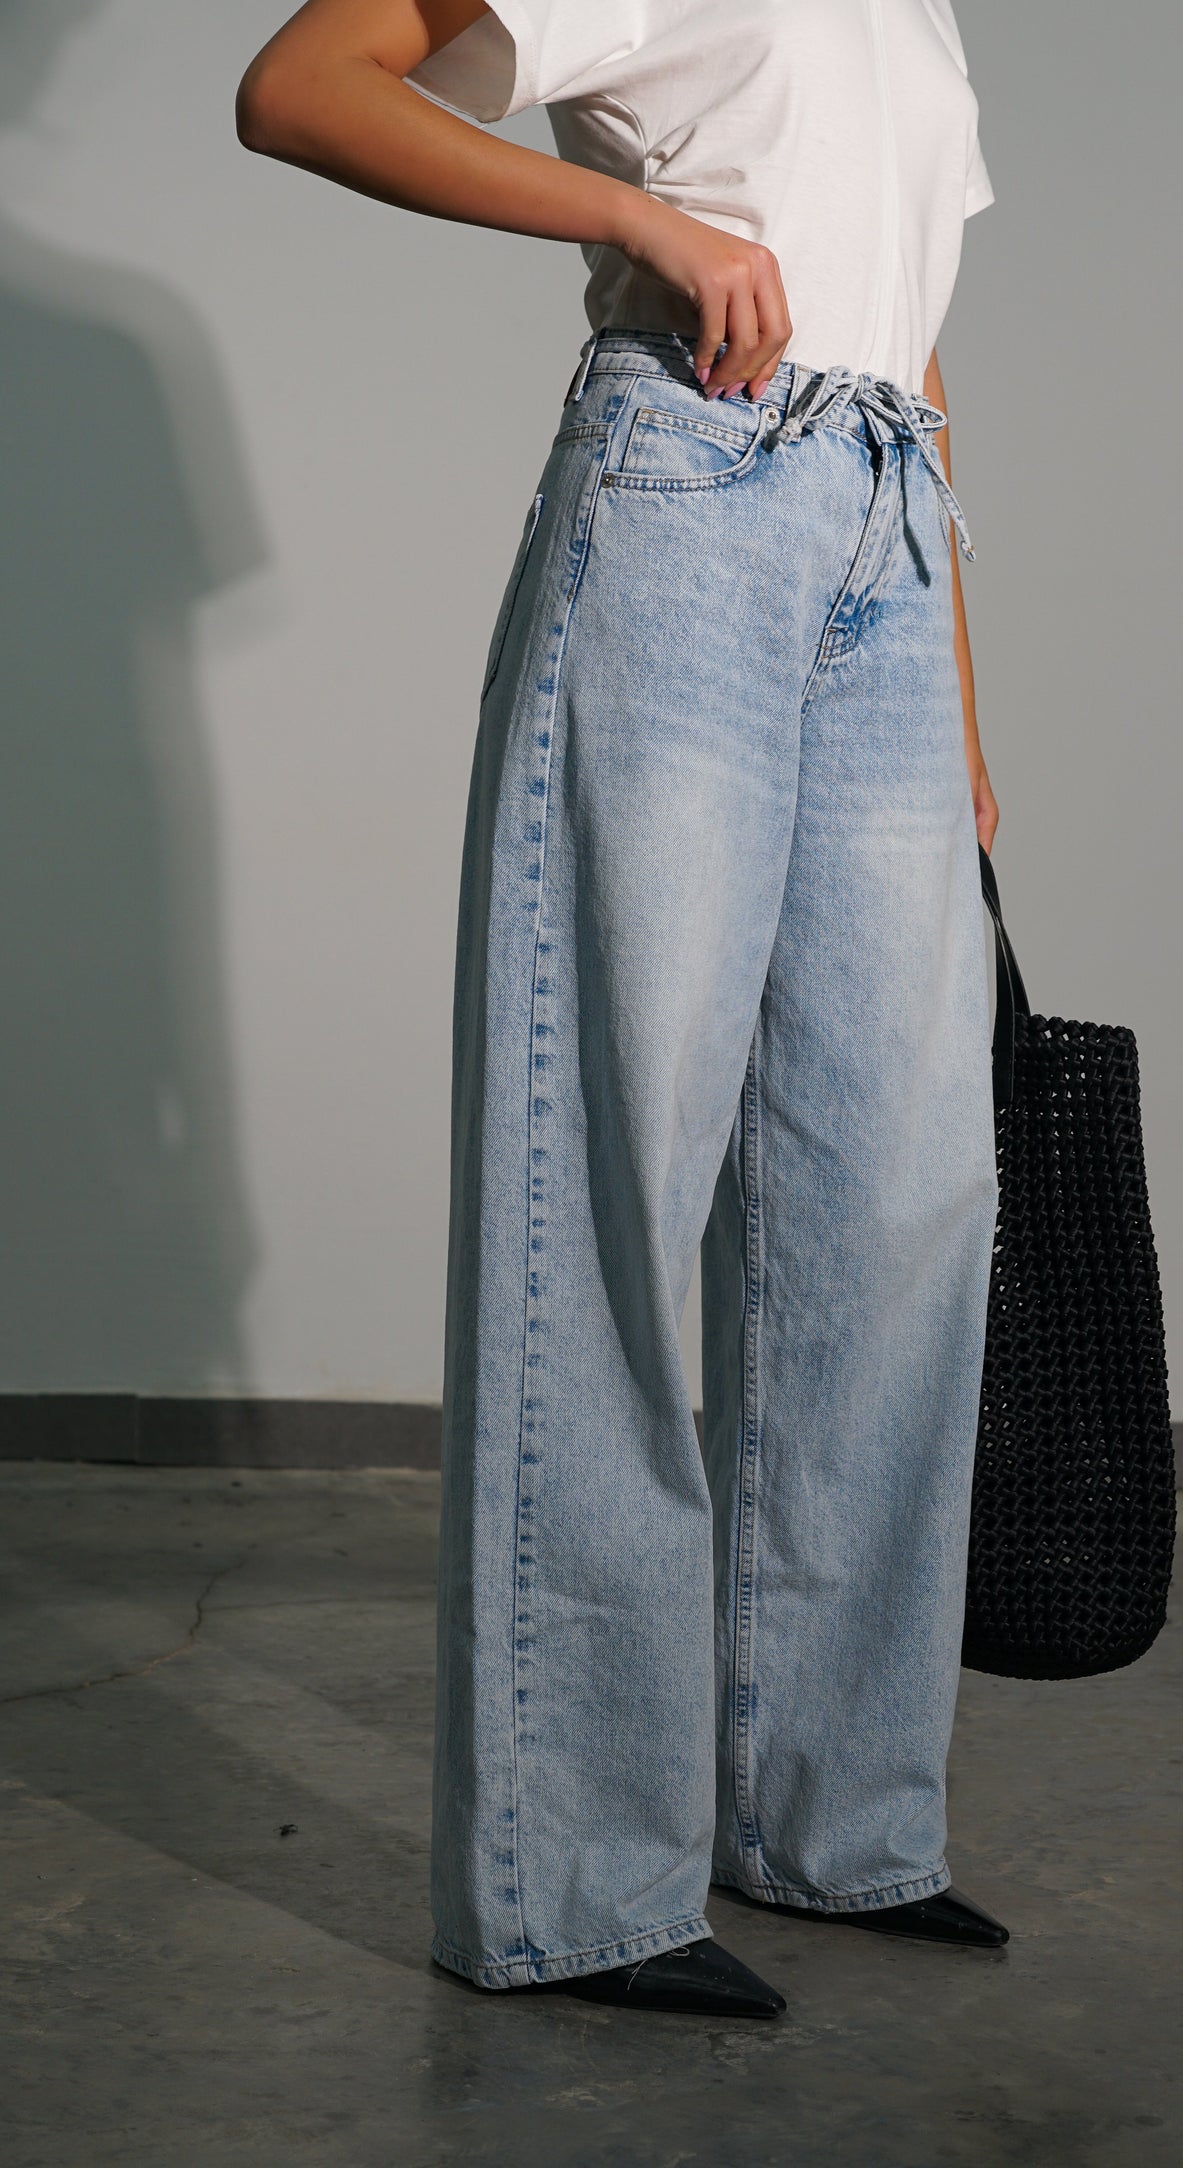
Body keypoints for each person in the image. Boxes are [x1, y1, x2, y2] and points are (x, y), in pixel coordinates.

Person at [238, 0, 1007, 2021]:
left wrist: (955, 694)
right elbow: (302, 86)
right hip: (689, 494)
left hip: (888, 529)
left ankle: (829, 1817)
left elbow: (906, 323)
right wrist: (635, 221)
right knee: (607, 1176)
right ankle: (572, 1880)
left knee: (899, 1200)